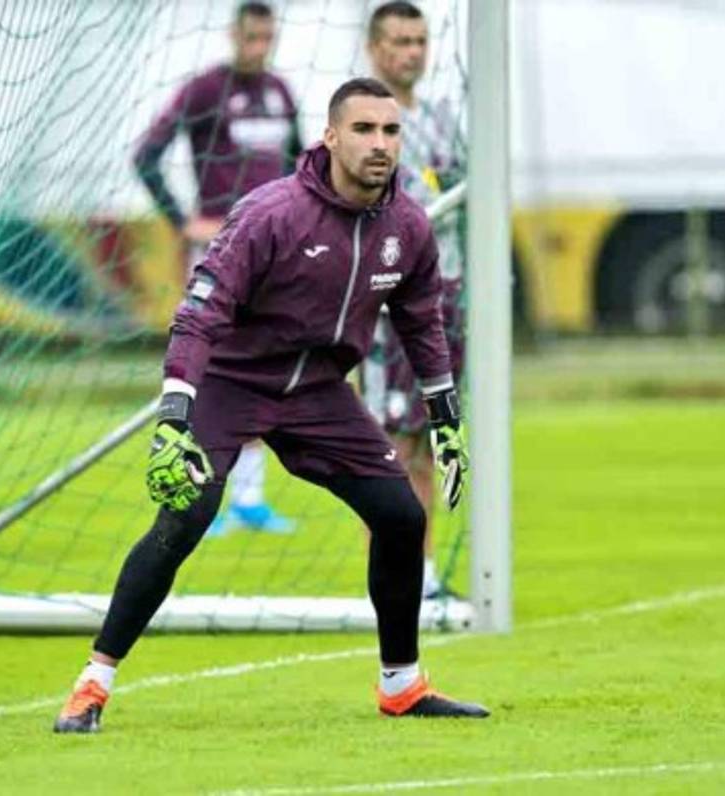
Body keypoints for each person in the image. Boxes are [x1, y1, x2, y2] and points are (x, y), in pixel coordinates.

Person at [54, 78, 488, 734]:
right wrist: (176, 409)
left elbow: (421, 323)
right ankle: (93, 683)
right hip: (233, 383)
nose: (379, 144)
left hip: (318, 393)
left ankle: (402, 684)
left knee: (400, 516)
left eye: (390, 131)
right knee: (186, 513)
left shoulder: (409, 226)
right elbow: (199, 314)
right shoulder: (271, 213)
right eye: (364, 130)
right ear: (330, 136)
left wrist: (446, 417)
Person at [132, 0, 302, 536]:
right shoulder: (205, 90)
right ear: (234, 35)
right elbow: (146, 155)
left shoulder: (280, 92)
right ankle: (196, 489)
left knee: (264, 364)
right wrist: (184, 222)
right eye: (250, 38)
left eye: (266, 38)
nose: (258, 48)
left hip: (275, 249)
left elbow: (300, 165)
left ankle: (249, 499)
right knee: (208, 368)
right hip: (220, 247)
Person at [361, 1, 466, 598]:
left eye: (420, 40)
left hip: (445, 300)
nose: (412, 51)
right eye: (400, 40)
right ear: (376, 48)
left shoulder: (444, 119)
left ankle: (421, 576)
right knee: (389, 446)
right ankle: (392, 580)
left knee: (430, 438)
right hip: (387, 309)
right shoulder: (366, 123)